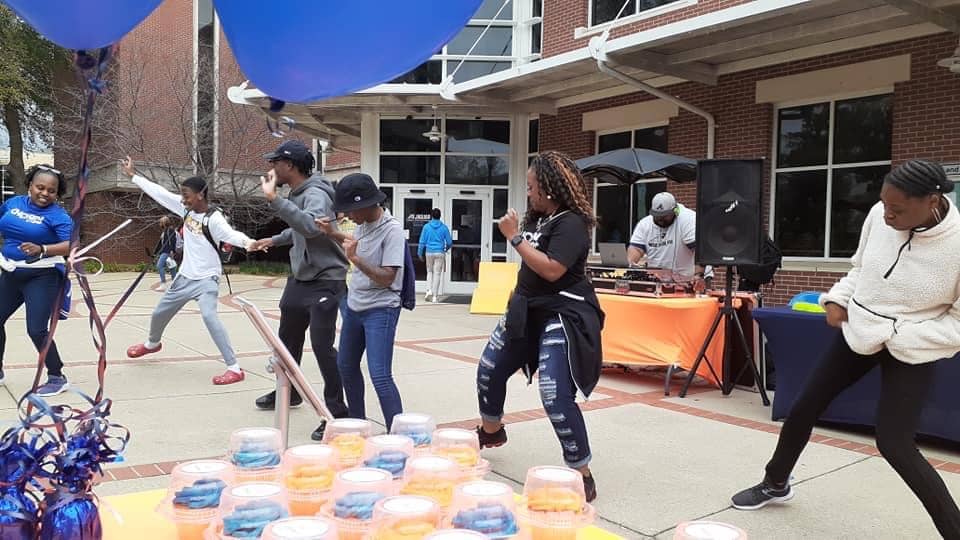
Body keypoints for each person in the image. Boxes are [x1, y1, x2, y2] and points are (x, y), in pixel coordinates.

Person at [731, 160, 960, 539]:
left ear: (932, 201)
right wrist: (837, 298)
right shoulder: (878, 215)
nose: (886, 214)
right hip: (860, 331)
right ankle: (775, 483)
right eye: (884, 204)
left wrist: (901, 335)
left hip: (914, 345)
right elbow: (860, 268)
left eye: (897, 209)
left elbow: (956, 323)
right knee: (804, 406)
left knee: (895, 443)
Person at [474, 151, 605, 502]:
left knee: (554, 393)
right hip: (524, 309)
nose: (528, 193)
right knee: (489, 370)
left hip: (563, 313)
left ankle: (582, 473)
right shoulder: (539, 218)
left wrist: (514, 238)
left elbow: (551, 270)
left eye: (532, 187)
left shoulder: (572, 223)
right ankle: (492, 431)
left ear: (550, 188)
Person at [121, 156, 256, 385]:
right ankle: (152, 344)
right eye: (181, 194)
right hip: (184, 278)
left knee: (209, 316)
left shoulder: (214, 218)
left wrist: (249, 242)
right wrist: (134, 176)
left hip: (206, 280)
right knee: (158, 314)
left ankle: (234, 368)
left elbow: (230, 234)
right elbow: (160, 193)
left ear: (200, 195)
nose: (182, 199)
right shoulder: (185, 210)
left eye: (186, 194)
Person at [250, 140, 350, 441]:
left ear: (289, 165)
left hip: (325, 280)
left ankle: (335, 413)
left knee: (322, 347)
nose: (272, 168)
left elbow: (311, 227)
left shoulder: (316, 193)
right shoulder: (300, 193)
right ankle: (289, 391)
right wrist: (273, 240)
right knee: (286, 343)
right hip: (301, 280)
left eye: (276, 162)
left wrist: (274, 200)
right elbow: (298, 230)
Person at [315, 173, 405, 429]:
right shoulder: (362, 225)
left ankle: (398, 434)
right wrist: (331, 232)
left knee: (380, 375)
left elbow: (388, 278)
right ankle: (357, 426)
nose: (348, 216)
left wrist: (356, 260)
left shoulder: (393, 231)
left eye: (350, 211)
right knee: (346, 365)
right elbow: (353, 242)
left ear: (365, 204)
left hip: (381, 310)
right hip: (355, 306)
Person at [0, 165, 73, 396]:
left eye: (51, 191)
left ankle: (56, 376)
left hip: (42, 275)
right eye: (40, 187)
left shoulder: (59, 216)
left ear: (57, 194)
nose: (44, 193)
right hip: (11, 272)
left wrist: (42, 248)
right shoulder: (13, 204)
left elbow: (71, 245)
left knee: (36, 329)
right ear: (30, 185)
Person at [626, 191, 711, 284]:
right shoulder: (644, 224)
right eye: (657, 216)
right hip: (659, 280)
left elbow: (700, 250)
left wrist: (698, 275)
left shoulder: (689, 219)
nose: (661, 220)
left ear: (675, 211)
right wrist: (630, 267)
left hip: (691, 277)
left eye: (665, 216)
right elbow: (636, 248)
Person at [417, 208, 452, 303]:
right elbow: (449, 242)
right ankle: (435, 296)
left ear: (432, 216)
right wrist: (446, 249)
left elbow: (422, 242)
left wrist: (419, 253)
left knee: (429, 272)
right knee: (437, 273)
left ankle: (428, 290)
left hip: (429, 252)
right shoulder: (444, 227)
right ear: (440, 216)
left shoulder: (426, 227)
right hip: (439, 252)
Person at [155, 216, 179, 291]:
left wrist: (172, 250)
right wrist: (156, 252)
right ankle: (175, 285)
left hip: (167, 251)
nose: (160, 224)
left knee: (159, 266)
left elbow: (172, 240)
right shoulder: (165, 231)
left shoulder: (170, 230)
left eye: (161, 222)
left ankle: (163, 284)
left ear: (164, 222)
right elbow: (161, 243)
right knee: (172, 267)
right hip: (165, 251)